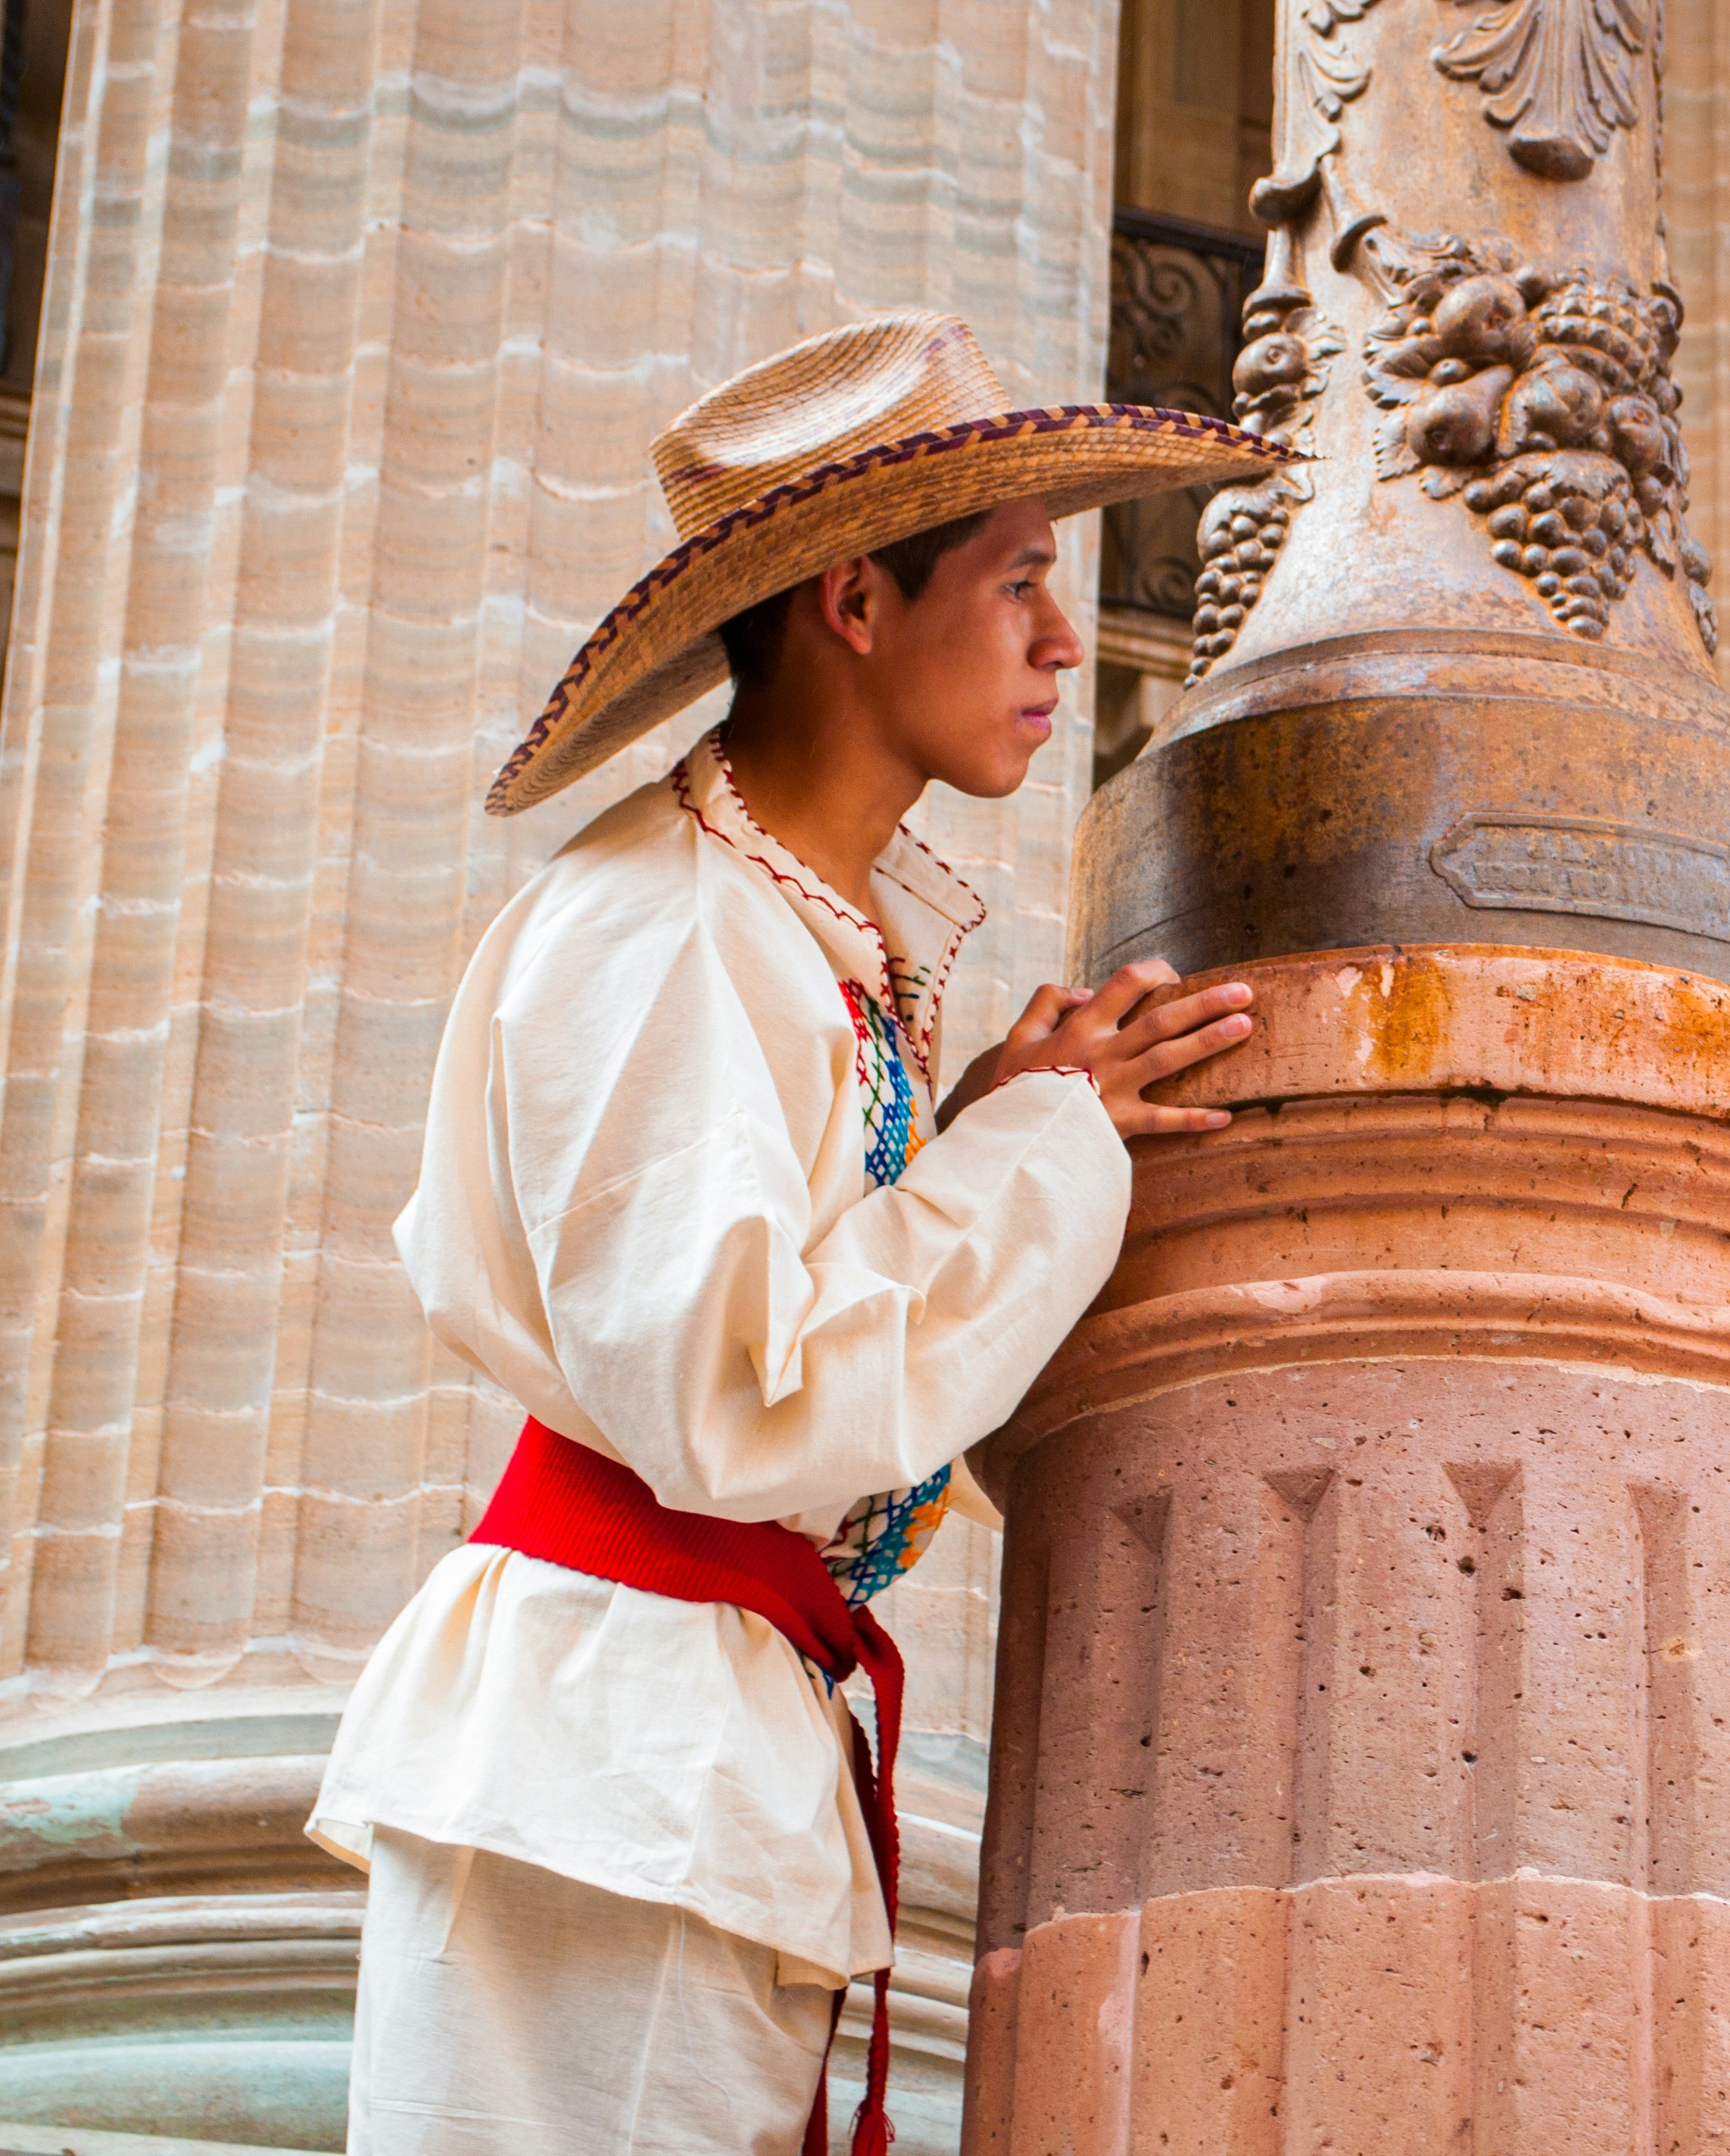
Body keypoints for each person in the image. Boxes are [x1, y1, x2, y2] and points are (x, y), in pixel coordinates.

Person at [306, 313, 1290, 2155]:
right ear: (855, 600)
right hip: (612, 1764)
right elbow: (739, 1396)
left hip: (687, 1759)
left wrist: (997, 1137)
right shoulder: (667, 924)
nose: (1063, 643)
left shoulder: (792, 930)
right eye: (1014, 584)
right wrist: (1041, 1151)